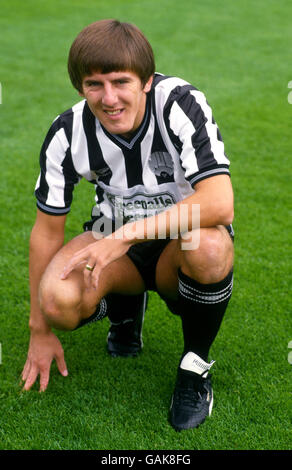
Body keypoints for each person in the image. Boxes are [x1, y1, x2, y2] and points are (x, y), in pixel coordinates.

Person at [21, 19, 234, 431]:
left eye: (121, 81)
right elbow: (46, 231)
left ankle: (194, 367)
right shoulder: (67, 132)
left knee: (209, 247)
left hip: (180, 241)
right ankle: (125, 311)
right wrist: (39, 329)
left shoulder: (179, 102)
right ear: (80, 87)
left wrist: (124, 237)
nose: (110, 97)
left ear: (146, 81)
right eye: (94, 84)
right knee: (57, 299)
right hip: (111, 236)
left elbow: (220, 203)